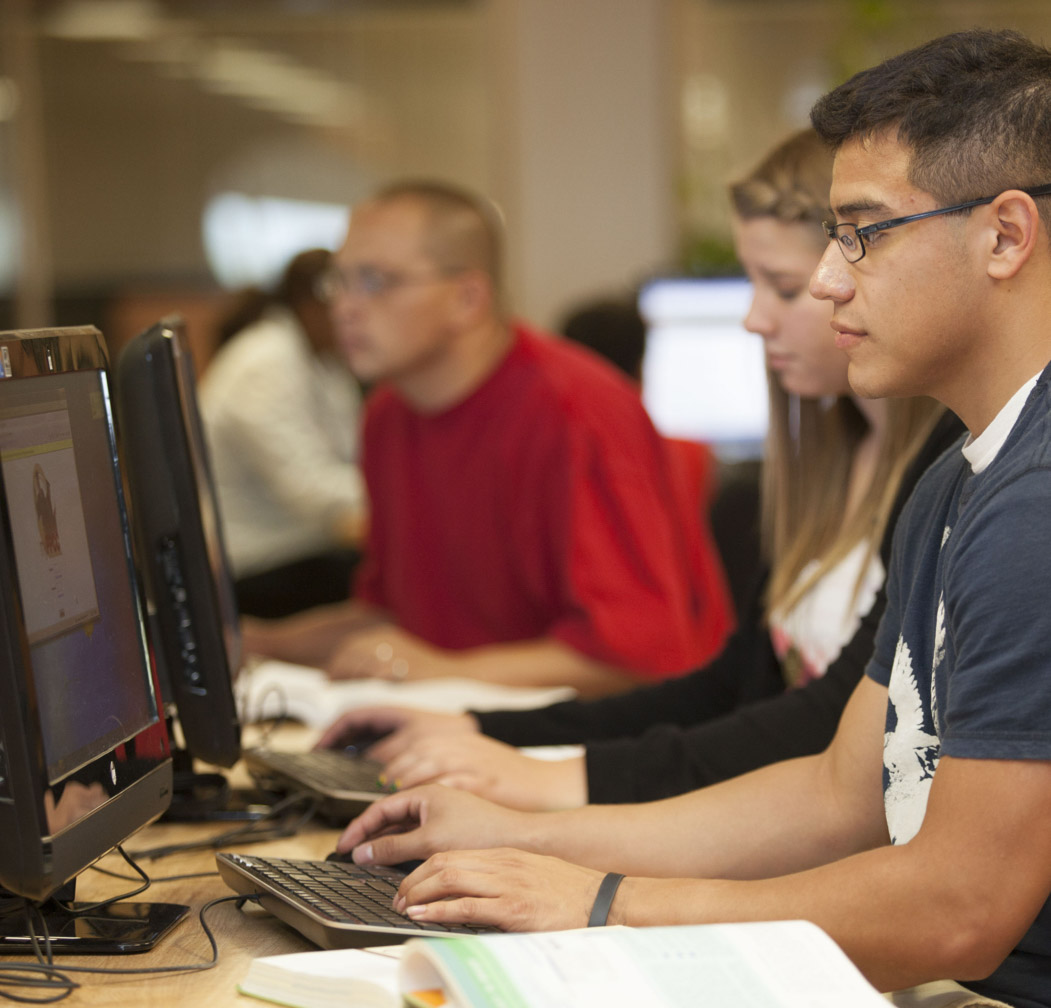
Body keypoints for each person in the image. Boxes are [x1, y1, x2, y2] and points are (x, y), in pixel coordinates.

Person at [332, 30, 1051, 1008]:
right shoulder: (954, 478)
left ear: (1005, 236)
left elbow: (958, 909)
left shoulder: (1033, 505)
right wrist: (530, 837)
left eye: (863, 234)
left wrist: (603, 903)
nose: (828, 281)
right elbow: (836, 793)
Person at [316, 129, 958, 813]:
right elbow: (730, 689)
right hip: (772, 822)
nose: (752, 319)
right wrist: (485, 731)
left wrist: (561, 781)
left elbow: (822, 727)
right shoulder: (826, 459)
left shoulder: (944, 472)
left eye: (782, 286)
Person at [242, 181, 733, 697]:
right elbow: (394, 622)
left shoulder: (576, 414)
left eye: (374, 281)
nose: (345, 307)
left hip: (616, 728)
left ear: (468, 298)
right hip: (465, 715)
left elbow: (640, 656)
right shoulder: (387, 415)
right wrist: (262, 643)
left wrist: (438, 671)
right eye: (337, 282)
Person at [199, 248, 367, 618]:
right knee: (387, 582)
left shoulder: (324, 361)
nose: (359, 318)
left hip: (300, 547)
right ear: (312, 307)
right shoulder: (264, 364)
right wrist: (401, 493)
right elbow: (308, 488)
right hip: (255, 566)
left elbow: (354, 456)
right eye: (347, 306)